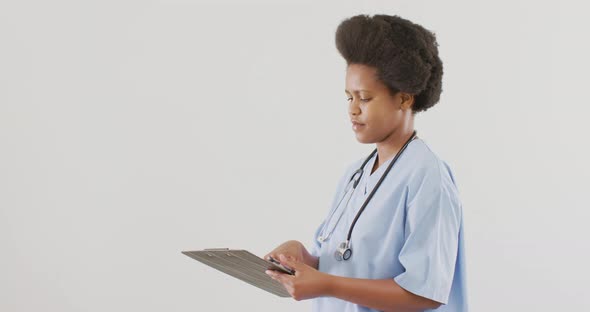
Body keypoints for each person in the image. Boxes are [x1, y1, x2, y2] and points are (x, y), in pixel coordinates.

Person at [264, 14, 468, 312]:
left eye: (365, 98)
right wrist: (301, 258)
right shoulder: (355, 175)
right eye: (349, 98)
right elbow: (344, 264)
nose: (353, 110)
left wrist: (326, 284)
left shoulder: (427, 176)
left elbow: (426, 293)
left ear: (404, 99)